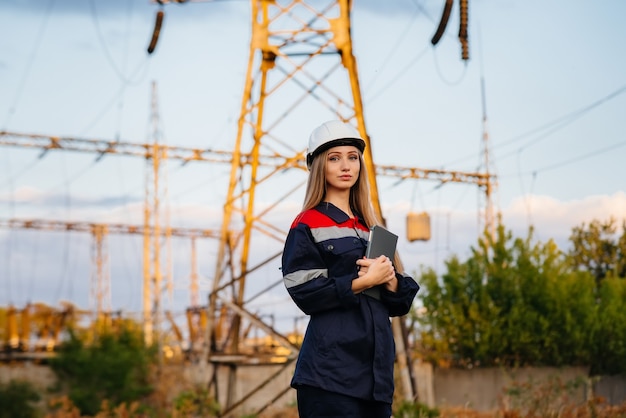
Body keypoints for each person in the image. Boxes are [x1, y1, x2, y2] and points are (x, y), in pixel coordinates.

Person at [281, 120, 420, 418]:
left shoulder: (370, 228)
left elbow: (401, 299)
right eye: (334, 158)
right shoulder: (307, 223)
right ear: (320, 166)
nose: (346, 166)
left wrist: (389, 281)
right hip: (330, 377)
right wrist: (360, 282)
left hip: (376, 381)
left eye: (352, 157)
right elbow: (303, 290)